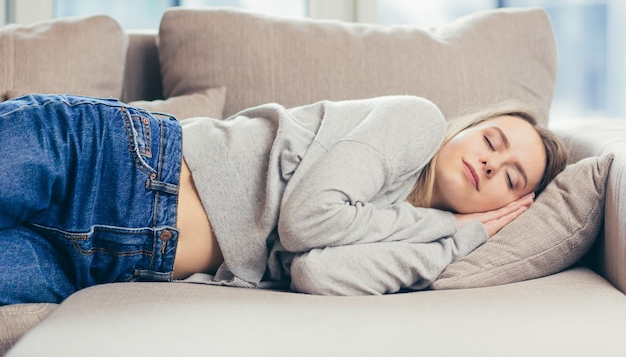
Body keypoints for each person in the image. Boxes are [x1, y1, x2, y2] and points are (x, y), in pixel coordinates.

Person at [0, 93, 567, 304]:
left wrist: (458, 239)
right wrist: (445, 228)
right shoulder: (418, 121)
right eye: (492, 140)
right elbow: (305, 222)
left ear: (504, 207)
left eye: (511, 180)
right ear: (468, 129)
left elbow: (317, 276)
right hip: (106, 161)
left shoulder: (414, 235)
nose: (492, 163)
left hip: (102, 263)